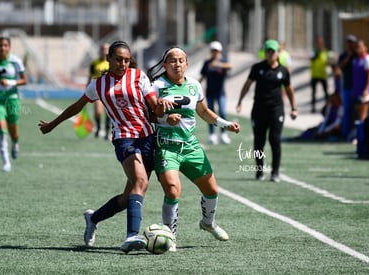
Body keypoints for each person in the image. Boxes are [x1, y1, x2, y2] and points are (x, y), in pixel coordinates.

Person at [39, 41, 173, 254]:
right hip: (124, 139)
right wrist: (52, 125)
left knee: (127, 198)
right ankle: (131, 236)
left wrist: (163, 106)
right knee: (141, 182)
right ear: (108, 59)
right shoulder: (98, 85)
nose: (123, 63)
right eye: (118, 59)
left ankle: (93, 218)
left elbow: (152, 103)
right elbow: (77, 106)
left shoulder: (139, 76)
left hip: (148, 138)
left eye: (127, 60)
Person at [147, 46, 240, 252]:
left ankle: (208, 223)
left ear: (187, 63)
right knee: (172, 189)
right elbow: (148, 114)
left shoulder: (194, 86)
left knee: (212, 190)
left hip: (191, 146)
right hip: (166, 147)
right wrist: (164, 117)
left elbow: (204, 112)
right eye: (172, 61)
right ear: (165, 65)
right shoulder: (156, 85)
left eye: (181, 60)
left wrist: (226, 125)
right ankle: (170, 237)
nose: (177, 64)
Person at [236, 39, 297, 182]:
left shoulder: (283, 71)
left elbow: (289, 90)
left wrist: (294, 108)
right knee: (259, 141)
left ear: (278, 53)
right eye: (268, 51)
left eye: (272, 52)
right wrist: (240, 101)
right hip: (259, 109)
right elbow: (247, 85)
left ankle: (275, 172)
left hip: (276, 109)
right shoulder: (257, 68)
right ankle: (259, 171)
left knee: (275, 140)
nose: (270, 54)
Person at [0, 36, 27, 172]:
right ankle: (6, 162)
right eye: (0, 45)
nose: (3, 48)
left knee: (13, 132)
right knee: (2, 131)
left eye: (5, 45)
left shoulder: (16, 61)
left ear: (9, 47)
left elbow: (24, 80)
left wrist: (10, 82)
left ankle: (15, 143)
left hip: (12, 99)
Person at [199, 41, 233, 145]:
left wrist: (218, 64)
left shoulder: (223, 61)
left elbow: (230, 66)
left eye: (216, 51)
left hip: (220, 93)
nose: (215, 52)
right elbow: (203, 76)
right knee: (210, 113)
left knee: (222, 112)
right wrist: (197, 86)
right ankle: (212, 135)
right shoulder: (207, 63)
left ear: (220, 51)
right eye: (213, 50)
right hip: (210, 92)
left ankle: (223, 134)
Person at [87, 42, 111, 140]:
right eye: (102, 49)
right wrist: (87, 89)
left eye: (106, 49)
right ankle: (98, 127)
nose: (104, 51)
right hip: (97, 92)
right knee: (97, 112)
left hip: (109, 92)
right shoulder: (94, 64)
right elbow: (89, 78)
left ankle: (107, 131)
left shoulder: (112, 63)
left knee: (108, 112)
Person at [338, 34, 357, 139]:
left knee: (357, 112)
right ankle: (345, 133)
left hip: (358, 88)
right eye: (348, 42)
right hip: (347, 87)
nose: (350, 44)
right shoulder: (344, 55)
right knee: (347, 111)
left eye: (352, 42)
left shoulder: (357, 55)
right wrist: (349, 56)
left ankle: (355, 134)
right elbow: (340, 66)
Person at [352, 40, 369, 123]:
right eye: (357, 47)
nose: (358, 49)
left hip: (365, 91)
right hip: (357, 90)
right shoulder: (356, 60)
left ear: (365, 48)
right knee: (358, 113)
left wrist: (367, 89)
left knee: (363, 114)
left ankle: (362, 134)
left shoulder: (368, 59)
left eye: (360, 47)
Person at [310, 36, 330, 113]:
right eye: (318, 42)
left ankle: (328, 106)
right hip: (314, 75)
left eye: (321, 42)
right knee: (313, 92)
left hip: (323, 75)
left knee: (326, 92)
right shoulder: (314, 51)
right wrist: (317, 52)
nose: (319, 44)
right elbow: (312, 58)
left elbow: (327, 61)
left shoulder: (325, 51)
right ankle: (313, 107)